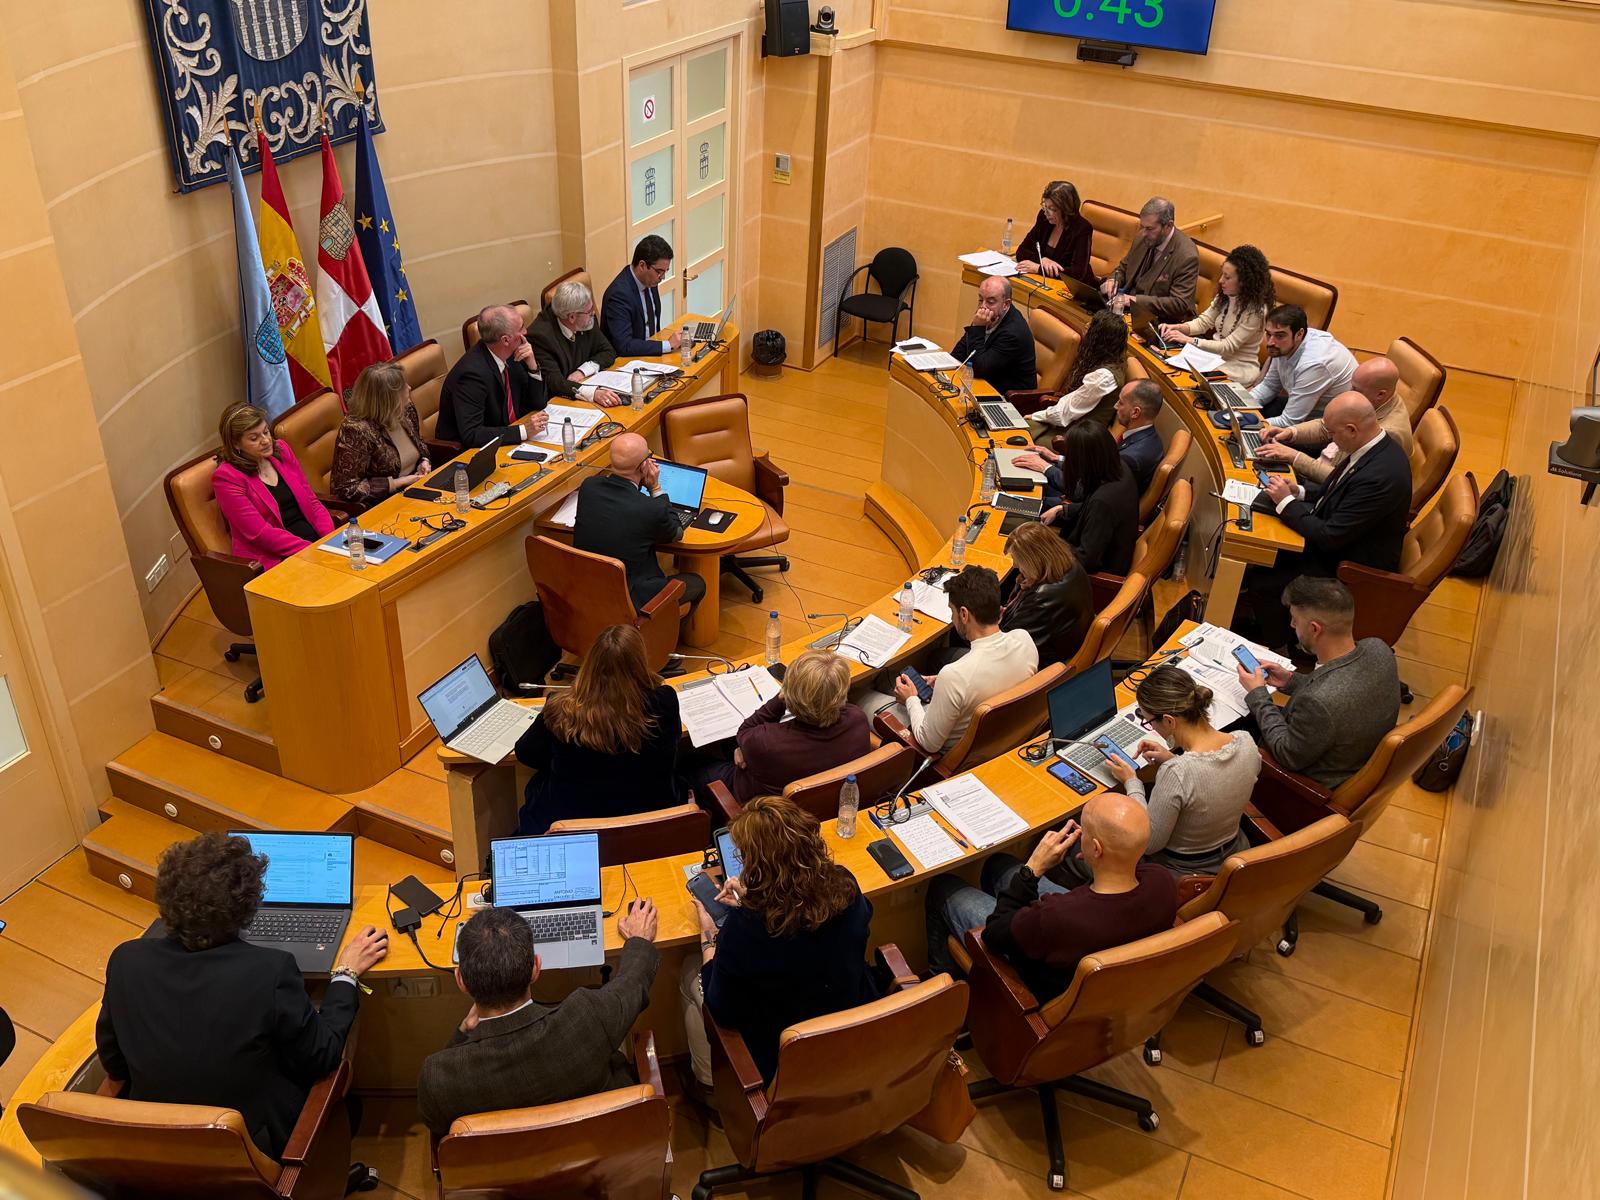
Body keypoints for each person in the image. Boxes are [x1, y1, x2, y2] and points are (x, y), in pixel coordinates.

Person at [96, 832, 388, 1159]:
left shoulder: (126, 961)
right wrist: (346, 974)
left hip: (157, 1145)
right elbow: (322, 1057)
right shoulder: (269, 971)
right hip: (253, 1146)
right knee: (341, 1030)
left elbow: (114, 1063)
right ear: (248, 906)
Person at [417, 899, 661, 1136]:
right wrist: (638, 939)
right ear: (536, 968)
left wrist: (463, 1032)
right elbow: (634, 982)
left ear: (461, 981)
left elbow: (439, 1127)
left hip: (506, 1174)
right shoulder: (587, 1017)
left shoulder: (438, 1077)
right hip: (598, 1156)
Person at [681, 796, 878, 1089]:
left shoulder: (745, 930)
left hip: (783, 1064)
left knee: (688, 971)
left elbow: (720, 1009)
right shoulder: (845, 886)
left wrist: (710, 938)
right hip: (854, 1032)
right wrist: (755, 898)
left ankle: (713, 1090)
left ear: (755, 866)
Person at [924, 793, 1177, 1001]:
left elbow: (994, 933)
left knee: (943, 888)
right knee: (998, 865)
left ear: (1096, 849)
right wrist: (1096, 859)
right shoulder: (1162, 881)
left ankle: (945, 1001)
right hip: (1095, 965)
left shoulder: (1056, 916)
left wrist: (1032, 870)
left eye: (1084, 831)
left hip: (1041, 981)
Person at [1242, 391, 1412, 647]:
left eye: (1332, 433)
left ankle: (1279, 647)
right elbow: (1337, 491)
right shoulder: (1372, 446)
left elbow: (1330, 537)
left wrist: (1285, 504)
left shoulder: (1380, 476)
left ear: (1352, 429)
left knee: (1264, 581)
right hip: (1341, 538)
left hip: (1349, 564)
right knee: (1263, 549)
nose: (1329, 439)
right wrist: (1297, 492)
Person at [514, 624, 682, 835]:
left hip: (574, 827)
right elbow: (673, 748)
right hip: (648, 822)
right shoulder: (664, 702)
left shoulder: (559, 708)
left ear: (590, 663)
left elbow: (525, 753)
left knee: (536, 785)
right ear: (640, 663)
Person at [1237, 576, 1401, 789]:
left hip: (1294, 789)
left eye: (1295, 619)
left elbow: (1286, 753)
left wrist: (1258, 694)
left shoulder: (1320, 704)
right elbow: (1339, 681)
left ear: (1315, 629)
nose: (1292, 625)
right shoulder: (1379, 649)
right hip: (1345, 753)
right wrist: (1289, 680)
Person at [857, 566, 1039, 755]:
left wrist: (911, 700)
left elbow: (928, 743)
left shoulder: (955, 676)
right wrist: (942, 682)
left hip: (944, 749)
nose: (952, 617)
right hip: (993, 735)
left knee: (858, 695)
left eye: (951, 611)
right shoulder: (1024, 639)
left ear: (964, 614)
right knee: (887, 678)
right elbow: (992, 669)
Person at [1104, 665, 1261, 878]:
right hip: (1233, 849)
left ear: (1169, 720)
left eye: (1149, 721)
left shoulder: (1177, 772)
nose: (1151, 727)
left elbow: (1150, 844)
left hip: (1184, 870)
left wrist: (1132, 782)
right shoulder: (1246, 741)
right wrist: (1171, 759)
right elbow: (1213, 782)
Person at [688, 650, 872, 807]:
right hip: (823, 802)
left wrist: (780, 698)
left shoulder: (766, 742)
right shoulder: (858, 719)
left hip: (758, 806)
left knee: (693, 765)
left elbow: (745, 730)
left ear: (788, 692)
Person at [572, 431, 707, 610]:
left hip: (587, 587)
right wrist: (656, 488)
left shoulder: (588, 487)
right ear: (643, 467)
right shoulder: (651, 508)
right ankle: (660, 633)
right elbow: (676, 532)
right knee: (697, 584)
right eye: (649, 457)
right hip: (630, 596)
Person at [212, 403, 336, 570]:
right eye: (254, 438)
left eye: (265, 431)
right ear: (236, 444)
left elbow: (311, 501)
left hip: (313, 542)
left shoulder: (282, 450)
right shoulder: (227, 478)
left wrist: (330, 540)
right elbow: (260, 533)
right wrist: (310, 551)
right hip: (274, 558)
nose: (265, 441)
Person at [1256, 356, 1414, 484]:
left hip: (1328, 487)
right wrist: (1290, 432)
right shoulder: (1376, 399)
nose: (1350, 392)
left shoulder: (1389, 434)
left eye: (1356, 389)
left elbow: (1345, 481)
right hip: (1324, 463)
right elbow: (1326, 426)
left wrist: (1294, 457)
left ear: (1381, 394)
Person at [1023, 379, 1166, 496]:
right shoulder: (1145, 438)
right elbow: (1095, 471)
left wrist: (1045, 468)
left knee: (1022, 488)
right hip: (1085, 493)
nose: (1115, 406)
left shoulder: (1132, 459)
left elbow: (1084, 491)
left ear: (1135, 413)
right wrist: (1057, 459)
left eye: (1121, 402)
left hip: (1080, 508)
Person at [1158, 244, 1273, 386]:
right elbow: (1203, 322)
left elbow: (1227, 346)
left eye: (1227, 277)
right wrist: (1177, 328)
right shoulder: (1225, 296)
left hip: (1237, 368)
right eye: (1222, 274)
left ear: (1244, 282)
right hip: (1212, 358)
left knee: (1186, 380)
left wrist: (1189, 340)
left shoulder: (1257, 312)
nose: (1220, 281)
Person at [437, 304, 551, 448]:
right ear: (505, 340)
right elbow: (472, 434)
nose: (526, 332)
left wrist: (533, 366)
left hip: (508, 439)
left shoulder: (512, 354)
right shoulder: (471, 375)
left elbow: (538, 403)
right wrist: (523, 431)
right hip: (470, 455)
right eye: (521, 328)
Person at [1039, 421, 1140, 576]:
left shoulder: (1103, 502)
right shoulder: (1119, 467)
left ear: (1084, 460)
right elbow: (1093, 509)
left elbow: (1086, 560)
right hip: (1089, 550)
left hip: (1092, 579)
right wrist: (1062, 508)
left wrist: (1045, 546)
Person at [330, 361, 431, 506]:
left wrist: (424, 461)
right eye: (403, 386)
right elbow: (347, 489)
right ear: (389, 398)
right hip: (384, 503)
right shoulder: (356, 430)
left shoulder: (405, 409)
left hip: (418, 489)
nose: (409, 388)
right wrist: (397, 483)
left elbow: (419, 442)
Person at [1000, 521, 1094, 667]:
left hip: (1042, 664)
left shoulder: (1042, 599)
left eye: (1018, 560)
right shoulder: (1070, 564)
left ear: (1035, 561)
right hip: (1058, 646)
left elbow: (1004, 648)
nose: (1015, 565)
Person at [1025, 307, 1128, 437]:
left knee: (1011, 433)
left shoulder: (1104, 377)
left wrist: (1034, 416)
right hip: (1068, 425)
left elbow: (1064, 414)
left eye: (1091, 327)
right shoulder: (1112, 360)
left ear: (1101, 338)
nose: (1086, 326)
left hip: (1071, 436)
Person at [1249, 303, 1357, 427]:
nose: (1270, 342)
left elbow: (1289, 422)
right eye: (1268, 334)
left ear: (1299, 334)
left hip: (1325, 426)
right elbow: (1270, 386)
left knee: (1251, 433)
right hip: (1302, 408)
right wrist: (1238, 406)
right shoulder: (1286, 344)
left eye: (1279, 336)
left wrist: (1246, 423)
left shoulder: (1315, 363)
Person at [1100, 197, 1198, 322]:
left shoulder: (1187, 256)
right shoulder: (1143, 237)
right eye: (1143, 227)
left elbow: (1179, 303)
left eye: (1150, 228)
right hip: (1125, 313)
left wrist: (1133, 300)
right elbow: (1124, 268)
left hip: (1160, 322)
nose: (1144, 233)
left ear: (1169, 225)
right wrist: (1113, 281)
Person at [529, 280, 623, 406]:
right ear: (572, 317)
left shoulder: (586, 318)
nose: (593, 314)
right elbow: (555, 383)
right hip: (560, 403)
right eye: (589, 312)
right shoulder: (540, 337)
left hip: (585, 385)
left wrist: (583, 371)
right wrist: (592, 393)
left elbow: (608, 351)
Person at [951, 276, 1036, 398]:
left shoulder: (1013, 333)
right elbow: (958, 354)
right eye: (980, 300)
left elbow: (979, 369)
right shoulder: (986, 316)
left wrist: (977, 328)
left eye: (991, 302)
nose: (983, 307)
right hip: (988, 385)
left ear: (1006, 304)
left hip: (1010, 400)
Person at [601, 235, 685, 358]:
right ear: (642, 265)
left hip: (651, 352)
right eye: (659, 272)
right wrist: (667, 345)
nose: (662, 277)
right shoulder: (619, 295)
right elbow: (624, 346)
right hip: (628, 361)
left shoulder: (650, 280)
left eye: (665, 271)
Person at [1014, 180, 1094, 285]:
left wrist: (1039, 269)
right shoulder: (1044, 218)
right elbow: (1021, 251)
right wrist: (1042, 260)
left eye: (1052, 209)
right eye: (1045, 207)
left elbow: (1077, 274)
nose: (1047, 213)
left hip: (1073, 290)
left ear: (1066, 210)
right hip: (1045, 282)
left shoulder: (1082, 228)